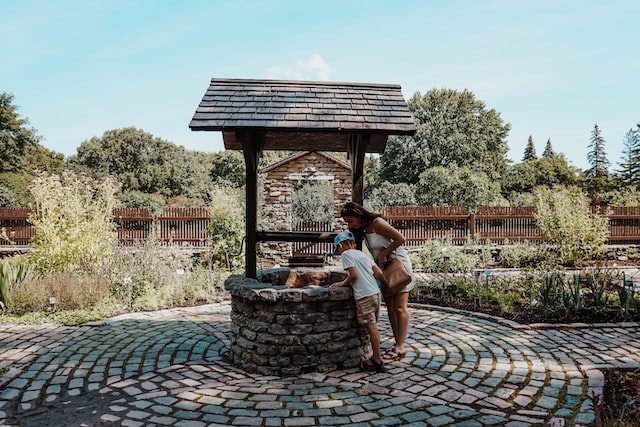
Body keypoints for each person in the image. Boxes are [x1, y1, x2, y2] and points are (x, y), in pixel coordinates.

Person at [340, 201, 415, 362]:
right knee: (391, 307)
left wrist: (383, 254)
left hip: (397, 265)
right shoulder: (363, 229)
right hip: (384, 269)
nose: (349, 225)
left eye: (350, 220)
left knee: (400, 307)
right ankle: (397, 343)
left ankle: (400, 346)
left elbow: (400, 238)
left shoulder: (377, 223)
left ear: (358, 215)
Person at [330, 231, 387, 373]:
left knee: (372, 328)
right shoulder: (363, 255)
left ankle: (377, 360)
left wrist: (342, 284)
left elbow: (353, 275)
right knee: (373, 327)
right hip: (375, 293)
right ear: (354, 244)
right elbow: (379, 273)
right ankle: (376, 357)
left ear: (341, 245)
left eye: (338, 248)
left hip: (364, 295)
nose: (339, 251)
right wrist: (376, 281)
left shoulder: (346, 255)